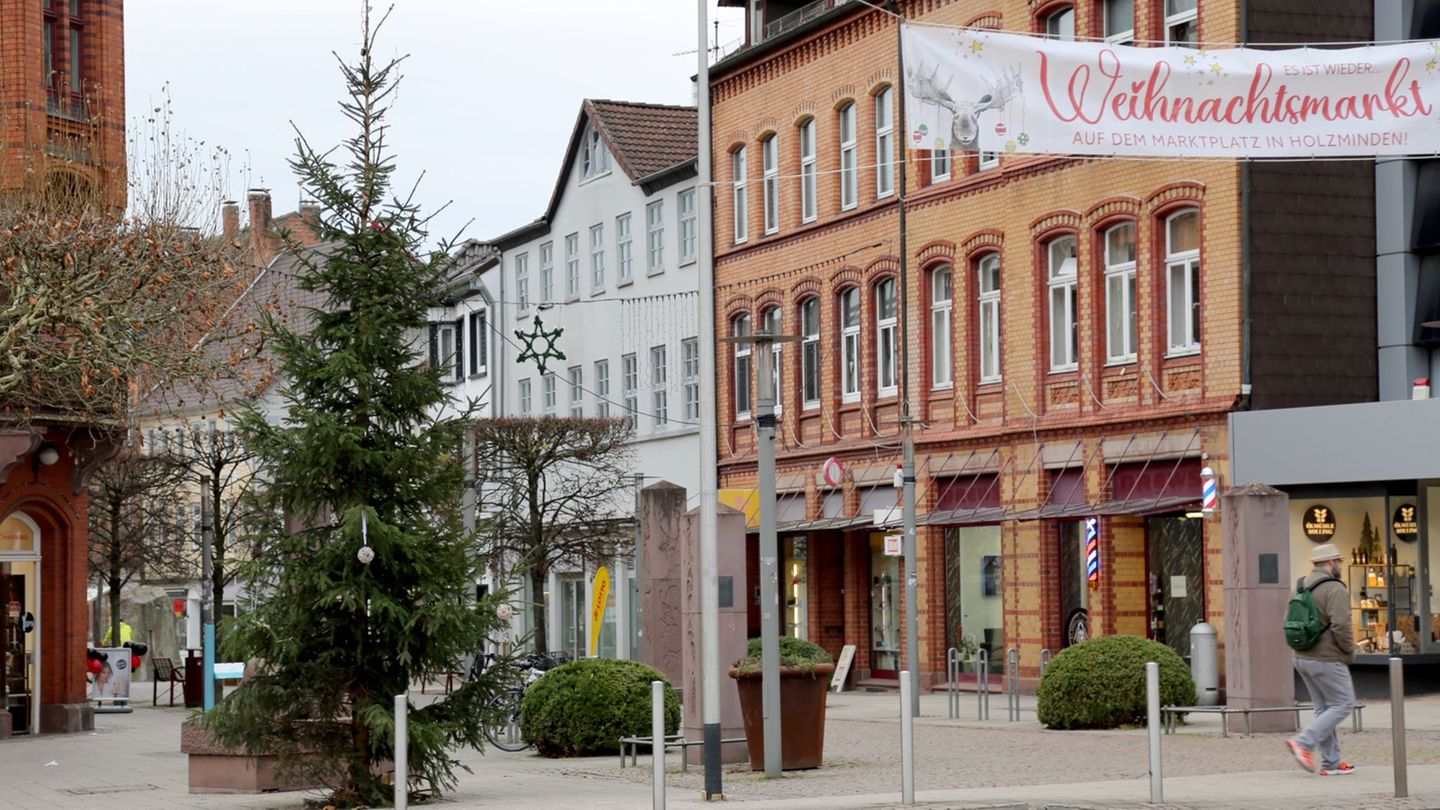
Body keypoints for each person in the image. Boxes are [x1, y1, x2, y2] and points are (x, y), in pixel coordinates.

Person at [1286, 543, 1357, 776]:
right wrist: (1349, 652)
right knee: (1344, 703)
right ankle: (1303, 742)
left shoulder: (1300, 585)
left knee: (1324, 708)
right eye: (1339, 561)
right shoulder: (1335, 588)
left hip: (1301, 656)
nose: (1340, 565)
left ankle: (1331, 763)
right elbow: (1341, 625)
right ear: (1330, 563)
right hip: (1327, 658)